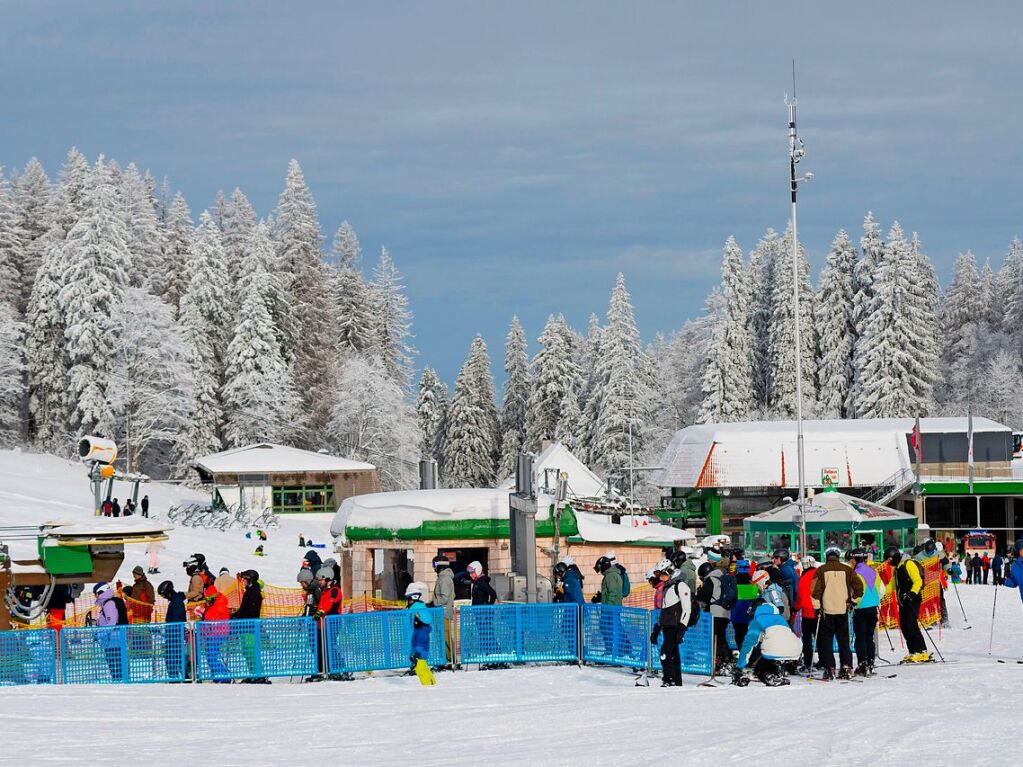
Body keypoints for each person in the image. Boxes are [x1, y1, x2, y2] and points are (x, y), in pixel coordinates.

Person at [811, 546, 863, 680]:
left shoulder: (820, 570)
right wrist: (853, 601)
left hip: (826, 611)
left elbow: (814, 591)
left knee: (826, 642)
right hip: (842, 609)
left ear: (827, 556)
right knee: (843, 641)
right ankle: (846, 667)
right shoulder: (848, 569)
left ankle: (830, 668)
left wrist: (816, 608)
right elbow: (859, 587)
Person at [732, 603, 802, 687]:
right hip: (795, 649)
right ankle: (778, 673)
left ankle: (771, 678)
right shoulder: (780, 618)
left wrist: (739, 666)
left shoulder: (757, 620)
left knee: (759, 668)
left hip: (775, 650)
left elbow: (748, 644)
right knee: (776, 653)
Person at [649, 558, 692, 687]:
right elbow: (664, 609)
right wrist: (657, 628)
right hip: (667, 625)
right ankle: (676, 681)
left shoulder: (680, 585)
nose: (660, 578)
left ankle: (669, 679)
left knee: (665, 652)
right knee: (673, 654)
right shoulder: (667, 587)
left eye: (662, 574)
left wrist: (682, 628)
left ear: (669, 572)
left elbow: (687, 608)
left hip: (675, 626)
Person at [884, 545, 929, 662]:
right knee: (904, 626)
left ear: (894, 556)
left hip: (912, 600)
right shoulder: (897, 568)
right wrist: (879, 595)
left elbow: (918, 580)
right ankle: (913, 651)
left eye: (889, 559)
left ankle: (922, 651)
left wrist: (911, 594)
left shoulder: (908, 564)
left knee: (911, 625)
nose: (889, 562)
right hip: (903, 602)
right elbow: (892, 585)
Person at [695, 550, 737, 673]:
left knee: (716, 639)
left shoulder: (711, 578)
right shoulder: (724, 574)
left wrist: (699, 594)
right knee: (721, 637)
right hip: (725, 611)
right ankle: (727, 660)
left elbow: (705, 597)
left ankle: (722, 662)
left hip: (715, 612)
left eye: (709, 559)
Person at [849, 548, 882, 676]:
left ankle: (862, 664)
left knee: (860, 638)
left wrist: (852, 603)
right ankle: (871, 662)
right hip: (873, 608)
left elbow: (854, 592)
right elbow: (881, 589)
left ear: (854, 559)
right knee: (869, 637)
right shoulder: (874, 571)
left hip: (860, 608)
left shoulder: (855, 573)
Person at [232, 570, 267, 683]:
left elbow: (251, 611)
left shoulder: (254, 593)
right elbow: (243, 610)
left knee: (251, 651)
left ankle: (259, 674)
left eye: (245, 579)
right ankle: (253, 672)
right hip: (245, 626)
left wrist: (238, 616)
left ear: (250, 580)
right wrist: (234, 616)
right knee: (246, 651)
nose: (243, 581)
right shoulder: (249, 592)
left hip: (250, 627)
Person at [94, 583, 128, 681]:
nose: (95, 596)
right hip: (115, 639)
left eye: (95, 593)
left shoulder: (109, 604)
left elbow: (111, 623)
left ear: (100, 592)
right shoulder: (110, 602)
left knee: (115, 668)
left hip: (112, 641)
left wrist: (98, 634)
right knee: (117, 667)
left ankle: (119, 685)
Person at [197, 581, 231, 681]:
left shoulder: (219, 603)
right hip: (212, 633)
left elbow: (213, 618)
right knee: (210, 655)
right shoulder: (212, 603)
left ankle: (224, 675)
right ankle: (218, 674)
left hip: (218, 633)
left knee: (212, 655)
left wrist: (202, 613)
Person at [405, 582, 436, 684]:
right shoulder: (418, 630)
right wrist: (413, 652)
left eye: (409, 600)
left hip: (420, 655)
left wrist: (417, 653)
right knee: (422, 668)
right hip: (419, 654)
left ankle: (428, 685)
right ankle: (430, 684)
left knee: (421, 668)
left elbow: (421, 643)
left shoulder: (421, 630)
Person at [793, 556, 818, 673]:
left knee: (807, 639)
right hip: (820, 611)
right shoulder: (819, 574)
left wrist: (795, 608)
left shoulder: (803, 578)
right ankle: (823, 660)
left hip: (808, 612)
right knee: (821, 638)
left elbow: (801, 598)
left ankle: (808, 662)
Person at [431, 555, 457, 668]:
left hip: (444, 613)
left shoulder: (445, 579)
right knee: (441, 636)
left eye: (434, 565)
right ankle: (446, 658)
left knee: (445, 636)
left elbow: (445, 598)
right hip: (441, 612)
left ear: (439, 565)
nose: (433, 568)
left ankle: (451, 660)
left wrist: (433, 603)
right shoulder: (442, 578)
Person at [158, 580, 188, 680]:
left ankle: (176, 679)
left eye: (163, 595)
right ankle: (181, 678)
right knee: (177, 659)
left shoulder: (176, 602)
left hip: (175, 636)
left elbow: (176, 619)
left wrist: (169, 631)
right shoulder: (175, 601)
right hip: (174, 635)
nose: (163, 597)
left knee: (173, 659)